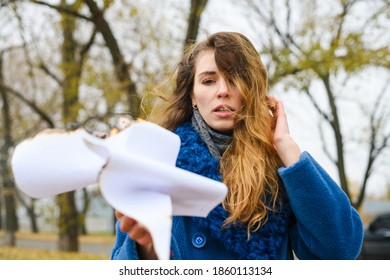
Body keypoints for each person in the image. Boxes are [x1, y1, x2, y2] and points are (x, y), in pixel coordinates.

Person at [111, 32, 363, 260]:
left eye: (234, 79)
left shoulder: (281, 168)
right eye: (209, 81)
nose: (222, 91)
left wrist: (287, 149)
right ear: (192, 96)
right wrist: (147, 249)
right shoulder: (158, 162)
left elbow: (341, 250)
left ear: (252, 90)